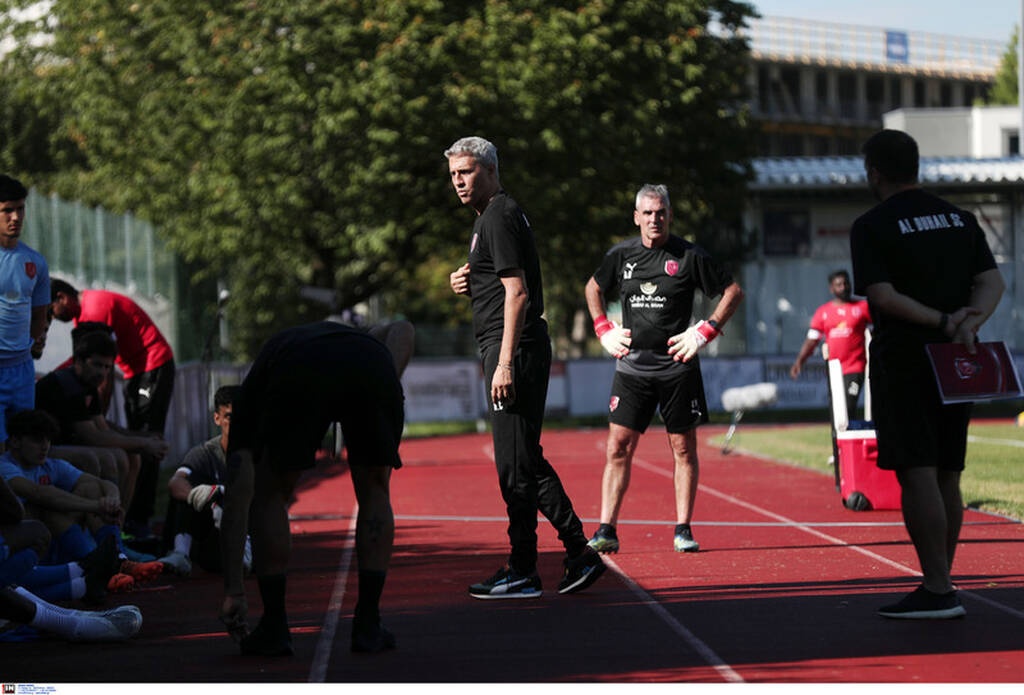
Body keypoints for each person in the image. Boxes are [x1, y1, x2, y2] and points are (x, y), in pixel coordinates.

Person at [850, 129, 1005, 619]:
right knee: (948, 471)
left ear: (874, 172)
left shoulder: (872, 224)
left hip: (906, 357)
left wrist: (940, 322)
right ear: (917, 166)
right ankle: (942, 578)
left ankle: (938, 588)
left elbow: (882, 296)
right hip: (959, 357)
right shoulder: (960, 219)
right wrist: (967, 323)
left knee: (917, 470)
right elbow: (992, 282)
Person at [446, 136, 605, 599]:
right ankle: (575, 553)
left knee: (515, 467)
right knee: (523, 459)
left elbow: (517, 295)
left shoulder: (497, 215)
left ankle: (530, 565)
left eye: (467, 172)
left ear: (491, 171)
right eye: (454, 174)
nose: (458, 181)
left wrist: (503, 363)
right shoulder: (493, 218)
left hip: (513, 349)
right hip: (515, 347)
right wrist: (470, 276)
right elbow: (502, 280)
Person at [218, 321, 403, 656]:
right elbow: (404, 328)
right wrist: (391, 377)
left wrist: (234, 590)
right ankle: (368, 624)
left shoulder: (248, 402)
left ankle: (275, 626)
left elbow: (236, 502)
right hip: (371, 366)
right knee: (375, 489)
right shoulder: (364, 340)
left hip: (300, 370)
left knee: (270, 495)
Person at [584, 184, 744, 555]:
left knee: (683, 449)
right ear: (636, 217)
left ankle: (683, 529)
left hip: (678, 366)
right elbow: (593, 288)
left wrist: (706, 330)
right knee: (618, 447)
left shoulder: (689, 256)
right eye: (648, 213)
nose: (654, 219)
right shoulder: (621, 254)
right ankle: (606, 528)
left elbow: (733, 291)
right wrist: (602, 329)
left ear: (670, 215)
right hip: (632, 369)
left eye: (661, 212)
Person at [50, 278, 175, 538]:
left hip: (151, 366)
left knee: (142, 445)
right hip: (136, 371)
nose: (52, 318)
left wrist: (100, 418)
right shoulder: (83, 317)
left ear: (61, 297)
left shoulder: (94, 310)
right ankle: (118, 526)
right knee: (131, 445)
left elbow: (102, 378)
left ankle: (137, 521)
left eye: (51, 310)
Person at [0, 409, 163, 588]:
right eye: (37, 439)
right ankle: (99, 567)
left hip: (49, 544)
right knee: (46, 505)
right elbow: (38, 493)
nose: (45, 446)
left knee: (91, 488)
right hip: (21, 549)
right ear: (15, 441)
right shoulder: (4, 467)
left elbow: (104, 484)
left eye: (47, 439)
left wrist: (112, 501)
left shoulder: (49, 465)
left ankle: (118, 559)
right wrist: (95, 507)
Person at [35, 330, 168, 520]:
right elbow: (92, 437)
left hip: (66, 446)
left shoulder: (87, 383)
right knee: (108, 458)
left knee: (131, 456)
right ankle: (100, 529)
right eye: (97, 365)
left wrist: (142, 438)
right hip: (44, 449)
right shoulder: (66, 384)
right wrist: (144, 444)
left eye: (107, 367)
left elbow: (102, 426)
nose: (103, 373)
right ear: (79, 360)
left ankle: (117, 530)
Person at [158, 385, 249, 577]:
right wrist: (198, 495)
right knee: (190, 494)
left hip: (249, 530)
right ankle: (180, 554)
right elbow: (175, 483)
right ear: (217, 418)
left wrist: (224, 494)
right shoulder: (204, 454)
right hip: (214, 540)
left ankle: (245, 554)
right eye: (230, 417)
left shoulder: (258, 454)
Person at [0, 175, 51, 454]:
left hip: (21, 369)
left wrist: (27, 348)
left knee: (26, 451)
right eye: (7, 210)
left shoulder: (34, 261)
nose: (15, 217)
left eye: (20, 209)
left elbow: (39, 316)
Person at [789, 269, 872, 418]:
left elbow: (877, 331)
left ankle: (849, 441)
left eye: (846, 283)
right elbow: (811, 340)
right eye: (839, 285)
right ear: (832, 288)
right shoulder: (823, 312)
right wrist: (799, 361)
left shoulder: (862, 307)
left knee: (848, 406)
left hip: (855, 367)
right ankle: (837, 441)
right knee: (836, 412)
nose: (844, 287)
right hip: (834, 370)